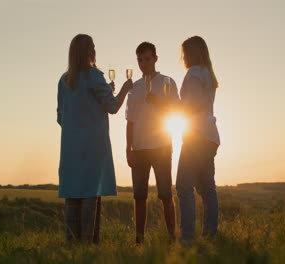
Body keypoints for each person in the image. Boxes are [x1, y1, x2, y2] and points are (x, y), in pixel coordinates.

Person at [57, 34, 133, 243]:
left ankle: (72, 243)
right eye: (93, 47)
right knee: (91, 193)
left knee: (73, 195)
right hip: (93, 147)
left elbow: (61, 117)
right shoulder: (94, 76)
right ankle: (89, 244)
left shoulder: (64, 81)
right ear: (89, 51)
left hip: (71, 149)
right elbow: (113, 107)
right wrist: (125, 90)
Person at [125, 42, 179, 244]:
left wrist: (159, 102)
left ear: (156, 59)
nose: (143, 63)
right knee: (139, 196)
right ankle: (139, 239)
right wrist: (128, 148)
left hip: (162, 146)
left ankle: (172, 238)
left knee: (165, 194)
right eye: (139, 60)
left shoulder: (168, 82)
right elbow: (129, 121)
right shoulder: (134, 87)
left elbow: (177, 110)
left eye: (147, 59)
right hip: (139, 148)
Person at [175, 36, 221, 244]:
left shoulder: (193, 73)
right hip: (210, 135)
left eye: (184, 53)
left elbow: (190, 106)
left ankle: (187, 238)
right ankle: (210, 234)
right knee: (206, 187)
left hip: (197, 135)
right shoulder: (207, 74)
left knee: (184, 186)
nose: (182, 57)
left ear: (191, 53)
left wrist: (168, 104)